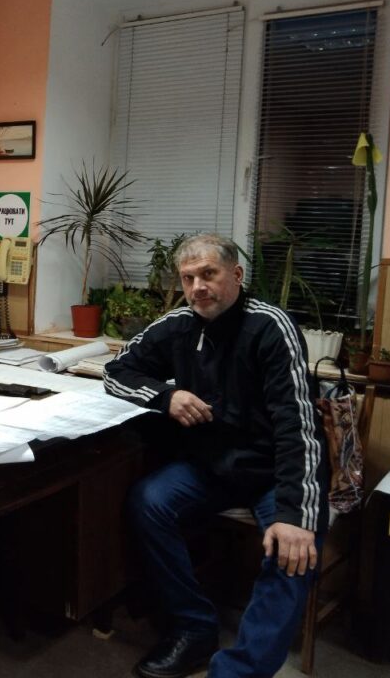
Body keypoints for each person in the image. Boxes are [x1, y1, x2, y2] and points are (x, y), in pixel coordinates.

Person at [103, 233, 328, 678]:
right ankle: (194, 628)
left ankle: (239, 670)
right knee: (148, 502)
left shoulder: (270, 326)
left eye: (209, 274)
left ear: (237, 275)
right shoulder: (179, 324)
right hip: (211, 465)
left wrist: (295, 514)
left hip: (271, 470)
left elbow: (297, 425)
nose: (197, 287)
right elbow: (116, 371)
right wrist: (166, 396)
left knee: (294, 547)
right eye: (188, 278)